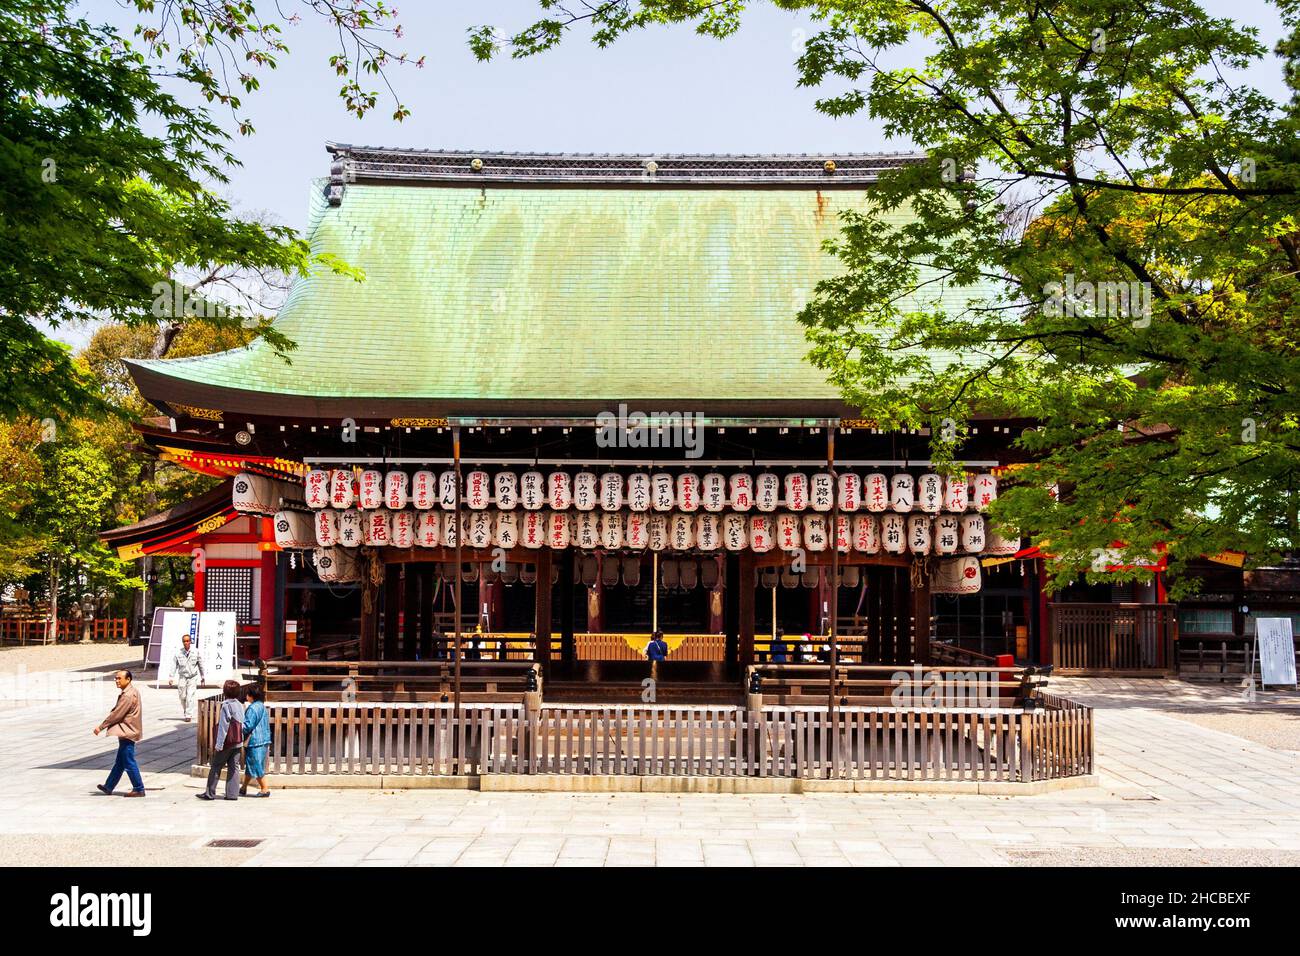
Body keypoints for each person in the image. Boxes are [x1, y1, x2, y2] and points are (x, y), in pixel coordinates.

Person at [94, 670, 145, 797]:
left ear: (128, 680)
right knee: (121, 761)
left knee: (128, 761)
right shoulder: (132, 691)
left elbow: (116, 714)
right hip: (127, 729)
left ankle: (138, 788)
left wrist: (101, 727)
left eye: (119, 678)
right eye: (116, 678)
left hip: (127, 730)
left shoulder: (128, 695)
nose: (117, 681)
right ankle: (109, 786)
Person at [198, 680, 244, 801]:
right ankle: (232, 794)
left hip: (227, 742)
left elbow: (224, 726)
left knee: (216, 765)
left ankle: (209, 792)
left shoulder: (226, 705)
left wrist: (219, 744)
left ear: (225, 692)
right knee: (234, 767)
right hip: (238, 741)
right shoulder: (240, 705)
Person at [240, 686, 271, 798]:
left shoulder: (252, 709)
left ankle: (264, 788)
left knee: (256, 765)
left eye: (247, 694)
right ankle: (243, 787)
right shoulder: (261, 706)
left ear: (251, 696)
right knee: (251, 764)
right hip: (264, 739)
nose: (246, 696)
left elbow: (248, 726)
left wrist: (238, 728)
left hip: (255, 740)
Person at [169, 633, 205, 722]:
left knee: (190, 696)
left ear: (190, 642)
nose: (186, 643)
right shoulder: (178, 653)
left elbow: (201, 665)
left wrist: (202, 676)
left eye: (187, 641)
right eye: (184, 641)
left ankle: (188, 714)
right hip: (182, 677)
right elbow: (174, 665)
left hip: (192, 677)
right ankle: (186, 710)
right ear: (182, 642)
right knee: (182, 696)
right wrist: (171, 677)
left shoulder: (196, 652)